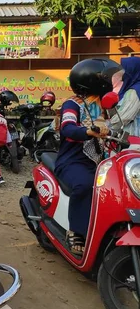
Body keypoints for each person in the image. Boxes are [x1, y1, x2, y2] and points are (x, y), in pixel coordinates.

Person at [55, 58, 119, 257]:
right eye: (110, 78)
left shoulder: (107, 105)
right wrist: (87, 132)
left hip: (102, 161)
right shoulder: (72, 104)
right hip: (73, 161)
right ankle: (76, 231)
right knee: (85, 185)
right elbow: (67, 127)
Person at [111, 57, 140, 137]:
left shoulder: (135, 92)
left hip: (132, 139)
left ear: (132, 70)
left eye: (124, 68)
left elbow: (123, 118)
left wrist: (106, 128)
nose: (121, 72)